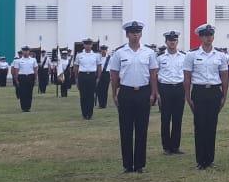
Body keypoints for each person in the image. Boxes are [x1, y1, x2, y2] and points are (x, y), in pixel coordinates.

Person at [108, 21, 159, 173]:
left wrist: (154, 92)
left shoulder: (149, 53)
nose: (135, 34)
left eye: (138, 32)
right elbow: (114, 75)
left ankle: (139, 165)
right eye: (132, 32)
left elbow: (153, 74)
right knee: (126, 129)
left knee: (142, 130)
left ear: (141, 34)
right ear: (127, 34)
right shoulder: (119, 53)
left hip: (143, 92)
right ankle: (127, 165)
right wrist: (114, 94)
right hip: (126, 92)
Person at [183, 24, 229, 170]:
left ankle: (210, 159)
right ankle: (201, 160)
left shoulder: (220, 55)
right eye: (205, 35)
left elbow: (224, 77)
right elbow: (187, 78)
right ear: (200, 37)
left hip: (214, 92)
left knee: (211, 126)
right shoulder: (192, 55)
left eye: (210, 35)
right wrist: (188, 97)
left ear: (213, 37)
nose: (208, 38)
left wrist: (224, 95)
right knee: (200, 126)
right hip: (199, 92)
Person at [156, 31, 187, 155]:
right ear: (166, 42)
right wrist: (157, 93)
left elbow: (186, 75)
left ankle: (175, 146)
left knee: (177, 119)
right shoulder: (160, 58)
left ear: (177, 42)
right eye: (170, 40)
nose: (172, 42)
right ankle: (166, 147)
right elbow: (155, 75)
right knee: (165, 118)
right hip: (165, 88)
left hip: (179, 88)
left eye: (174, 40)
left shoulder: (184, 57)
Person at [74, 38, 103, 120]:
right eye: (86, 44)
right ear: (83, 45)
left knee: (91, 95)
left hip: (92, 76)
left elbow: (99, 67)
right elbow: (76, 67)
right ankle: (84, 113)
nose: (88, 46)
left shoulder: (96, 55)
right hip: (82, 76)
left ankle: (90, 114)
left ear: (92, 45)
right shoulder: (79, 55)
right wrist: (76, 78)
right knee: (83, 95)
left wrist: (98, 78)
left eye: (89, 44)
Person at [11, 46, 39, 112]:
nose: (25, 52)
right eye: (24, 51)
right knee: (22, 93)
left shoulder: (33, 60)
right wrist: (16, 79)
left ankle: (28, 107)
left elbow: (35, 70)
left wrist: (35, 78)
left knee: (29, 92)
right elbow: (16, 70)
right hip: (22, 77)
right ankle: (23, 107)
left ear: (29, 51)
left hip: (30, 77)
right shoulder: (19, 61)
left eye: (27, 51)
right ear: (22, 52)